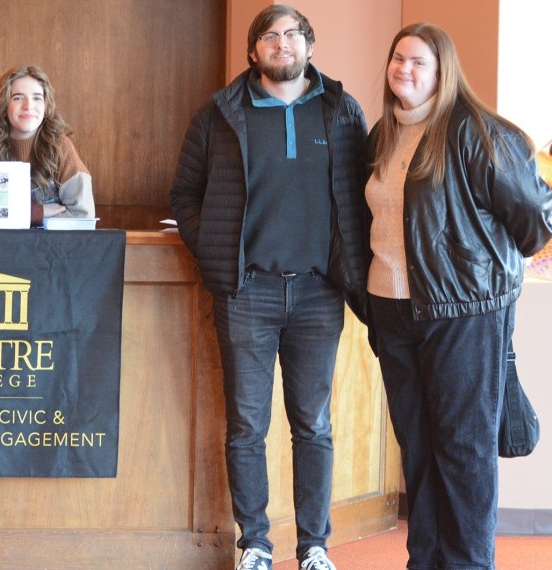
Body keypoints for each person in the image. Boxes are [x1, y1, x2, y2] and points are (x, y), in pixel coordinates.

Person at [170, 5, 368, 570]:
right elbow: (184, 193)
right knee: (247, 426)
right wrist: (210, 248)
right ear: (253, 50)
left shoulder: (340, 110)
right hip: (245, 292)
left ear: (309, 44)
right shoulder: (220, 113)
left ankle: (314, 547)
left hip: (318, 293)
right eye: (269, 35)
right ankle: (254, 543)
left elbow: (361, 194)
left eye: (292, 34)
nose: (282, 43)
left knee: (314, 425)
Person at [364, 23, 552, 569]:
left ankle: (468, 563)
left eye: (419, 62)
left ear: (443, 71)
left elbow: (533, 221)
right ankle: (425, 560)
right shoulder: (383, 134)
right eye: (399, 58)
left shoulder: (478, 132)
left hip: (462, 315)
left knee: (464, 452)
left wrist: (482, 273)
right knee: (418, 449)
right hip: (393, 310)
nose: (405, 69)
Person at [0, 64, 95, 227]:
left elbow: (83, 215)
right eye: (17, 97)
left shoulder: (61, 146)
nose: (28, 106)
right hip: (0, 248)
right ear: (3, 104)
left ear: (46, 104)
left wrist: (14, 216)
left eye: (37, 98)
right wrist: (39, 212)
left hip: (51, 248)